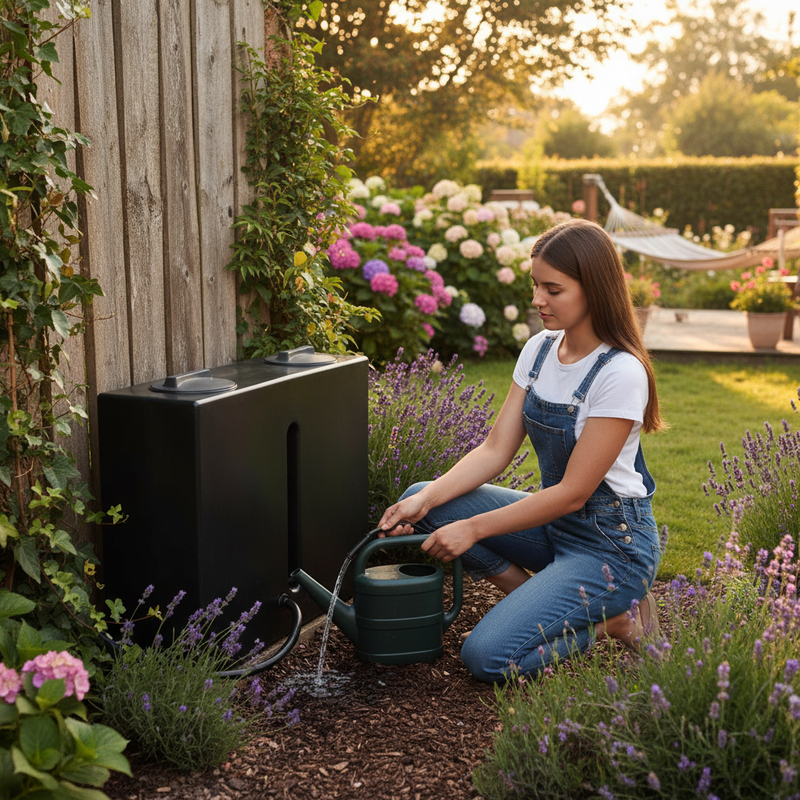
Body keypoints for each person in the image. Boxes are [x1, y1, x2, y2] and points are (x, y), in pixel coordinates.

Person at [377, 218, 664, 683]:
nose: (536, 300)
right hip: (555, 529)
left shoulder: (620, 373)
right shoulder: (538, 350)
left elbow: (572, 493)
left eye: (553, 289)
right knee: (427, 495)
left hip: (612, 547)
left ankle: (614, 620)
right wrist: (422, 503)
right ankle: (530, 596)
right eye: (535, 285)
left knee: (487, 657)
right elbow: (494, 449)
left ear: (593, 288)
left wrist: (471, 529)